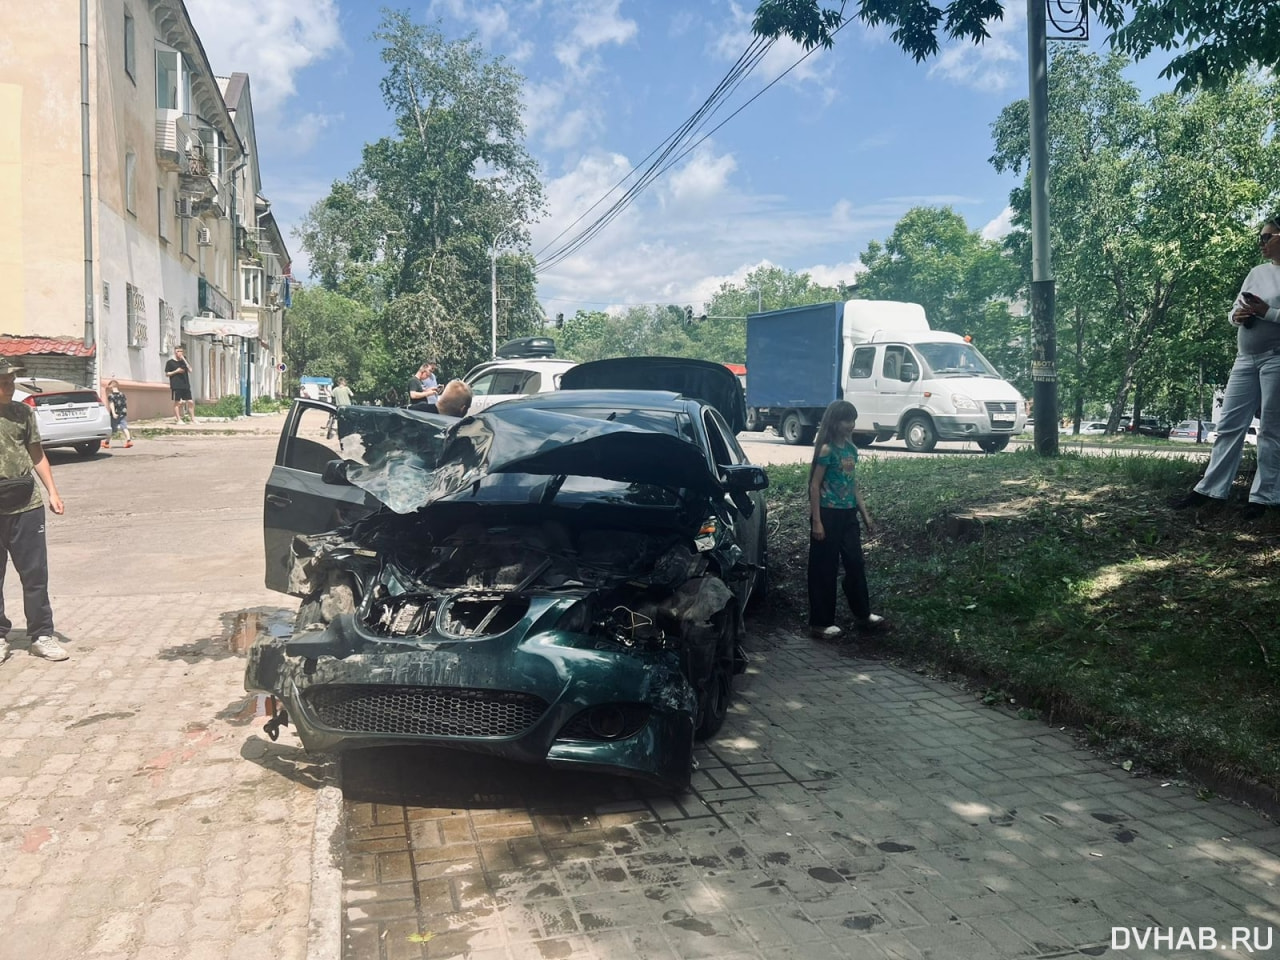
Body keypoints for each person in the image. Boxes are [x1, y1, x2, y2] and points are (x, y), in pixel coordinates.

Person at [1172, 216, 1280, 519]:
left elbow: (1271, 313)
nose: (1262, 242)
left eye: (1268, 236)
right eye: (1260, 237)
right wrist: (1240, 315)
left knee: (1272, 429)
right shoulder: (1257, 273)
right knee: (1229, 425)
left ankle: (1265, 497)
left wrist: (1268, 313)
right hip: (1245, 359)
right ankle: (1210, 490)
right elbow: (1234, 309)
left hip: (1276, 358)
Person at [0, 360, 69, 663]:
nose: (8, 386)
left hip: (27, 504)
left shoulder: (23, 413)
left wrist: (53, 491)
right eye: (3, 381)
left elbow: (36, 453)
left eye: (11, 380)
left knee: (35, 575)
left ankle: (42, 634)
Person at [808, 399, 886, 639]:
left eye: (853, 419)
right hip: (828, 514)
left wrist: (865, 515)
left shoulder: (851, 450)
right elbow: (814, 485)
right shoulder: (826, 450)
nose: (850, 424)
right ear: (834, 422)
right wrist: (817, 521)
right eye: (845, 420)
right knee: (824, 567)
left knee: (855, 563)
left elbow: (852, 485)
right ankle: (820, 623)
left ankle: (863, 613)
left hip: (848, 514)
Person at [165, 346, 195, 423]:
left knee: (190, 402)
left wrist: (184, 360)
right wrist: (176, 371)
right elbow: (167, 374)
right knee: (177, 402)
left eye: (181, 351)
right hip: (176, 385)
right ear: (175, 352)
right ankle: (178, 419)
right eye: (178, 351)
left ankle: (193, 419)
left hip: (185, 384)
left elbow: (190, 370)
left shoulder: (184, 361)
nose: (180, 353)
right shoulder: (170, 362)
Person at [103, 379, 133, 449]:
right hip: (123, 413)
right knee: (124, 427)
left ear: (111, 386)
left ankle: (106, 443)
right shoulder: (122, 394)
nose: (108, 387)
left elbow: (111, 404)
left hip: (115, 414)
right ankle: (129, 441)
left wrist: (113, 413)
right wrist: (124, 411)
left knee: (112, 428)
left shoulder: (111, 396)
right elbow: (124, 403)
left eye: (109, 385)